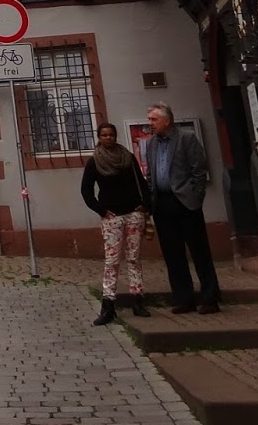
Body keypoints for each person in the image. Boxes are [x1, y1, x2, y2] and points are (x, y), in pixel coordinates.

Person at [145, 104, 218, 315]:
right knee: (173, 253)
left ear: (167, 121)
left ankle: (210, 297)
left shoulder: (186, 138)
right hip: (162, 204)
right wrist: (151, 199)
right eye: (149, 119)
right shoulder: (151, 145)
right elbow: (150, 174)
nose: (150, 123)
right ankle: (183, 298)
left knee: (199, 251)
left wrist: (195, 198)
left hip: (185, 202)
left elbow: (199, 170)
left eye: (153, 119)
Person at [82, 123, 152, 325]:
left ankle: (138, 300)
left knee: (134, 258)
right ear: (99, 137)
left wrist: (144, 204)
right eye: (104, 135)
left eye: (111, 135)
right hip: (112, 217)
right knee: (111, 261)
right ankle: (108, 305)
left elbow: (141, 181)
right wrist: (101, 210)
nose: (108, 138)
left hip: (133, 214)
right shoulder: (95, 161)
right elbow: (86, 191)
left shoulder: (127, 157)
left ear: (116, 136)